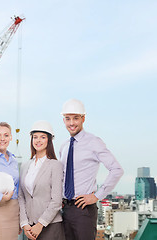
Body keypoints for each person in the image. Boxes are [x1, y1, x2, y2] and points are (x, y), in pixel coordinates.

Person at [59, 99, 124, 240]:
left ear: (83, 118)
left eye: (76, 118)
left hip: (83, 210)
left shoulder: (94, 142)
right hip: (65, 209)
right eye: (68, 119)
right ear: (63, 120)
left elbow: (116, 169)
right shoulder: (63, 147)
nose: (71, 123)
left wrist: (97, 196)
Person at [18, 121, 65, 240]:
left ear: (49, 140)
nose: (38, 140)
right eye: (35, 137)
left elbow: (56, 201)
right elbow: (21, 197)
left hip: (51, 226)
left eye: (43, 137)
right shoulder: (25, 165)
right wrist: (24, 223)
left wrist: (40, 224)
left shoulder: (55, 165)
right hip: (30, 227)